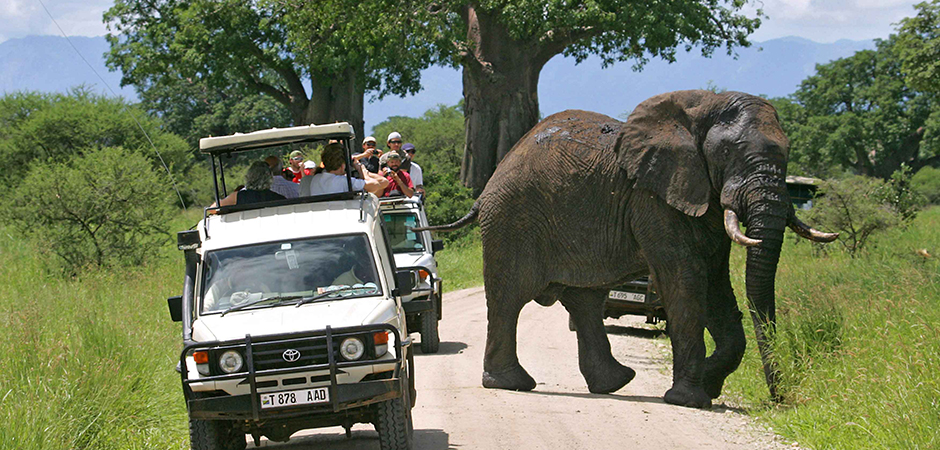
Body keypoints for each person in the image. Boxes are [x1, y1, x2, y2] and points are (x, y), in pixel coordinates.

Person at [306, 143, 388, 196]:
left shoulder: (316, 179)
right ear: (343, 165)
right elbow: (375, 185)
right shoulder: (344, 181)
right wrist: (362, 170)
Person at [211, 161, 286, 207]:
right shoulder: (279, 199)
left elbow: (213, 208)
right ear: (269, 178)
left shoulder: (238, 196)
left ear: (249, 177)